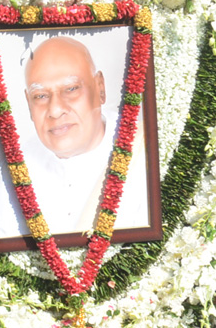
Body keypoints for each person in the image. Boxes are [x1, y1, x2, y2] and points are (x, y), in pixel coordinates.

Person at [14, 35, 147, 235]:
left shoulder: (146, 150)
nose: (56, 110)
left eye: (71, 89)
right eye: (40, 96)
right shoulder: (11, 169)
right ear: (28, 103)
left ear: (100, 88)